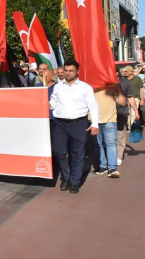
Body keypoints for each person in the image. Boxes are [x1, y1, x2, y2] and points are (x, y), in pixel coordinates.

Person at [49, 59, 100, 194]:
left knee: (77, 153)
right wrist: (49, 105)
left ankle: (74, 181)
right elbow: (54, 101)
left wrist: (95, 124)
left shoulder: (85, 87)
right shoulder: (58, 86)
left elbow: (93, 107)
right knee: (59, 152)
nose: (68, 73)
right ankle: (65, 177)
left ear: (77, 71)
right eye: (66, 70)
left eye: (71, 71)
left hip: (79, 123)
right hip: (60, 124)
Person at [92, 83, 126, 178]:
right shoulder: (88, 87)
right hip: (94, 120)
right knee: (98, 145)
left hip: (110, 120)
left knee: (111, 143)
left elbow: (122, 102)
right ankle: (103, 166)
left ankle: (112, 168)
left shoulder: (111, 87)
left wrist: (119, 88)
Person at [116, 67, 138, 166]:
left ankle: (119, 156)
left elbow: (130, 97)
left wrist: (136, 111)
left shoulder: (125, 83)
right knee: (110, 136)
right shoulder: (104, 83)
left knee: (120, 134)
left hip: (121, 113)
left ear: (116, 73)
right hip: (108, 114)